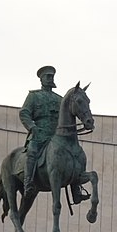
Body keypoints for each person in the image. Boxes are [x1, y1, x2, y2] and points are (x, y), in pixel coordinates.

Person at [19, 66, 90, 203]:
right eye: (48, 76)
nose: (50, 79)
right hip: (39, 133)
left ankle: (77, 190)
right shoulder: (34, 96)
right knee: (32, 152)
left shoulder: (60, 99)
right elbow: (24, 113)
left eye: (52, 76)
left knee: (75, 155)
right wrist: (31, 126)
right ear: (41, 79)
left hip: (56, 134)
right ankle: (28, 183)